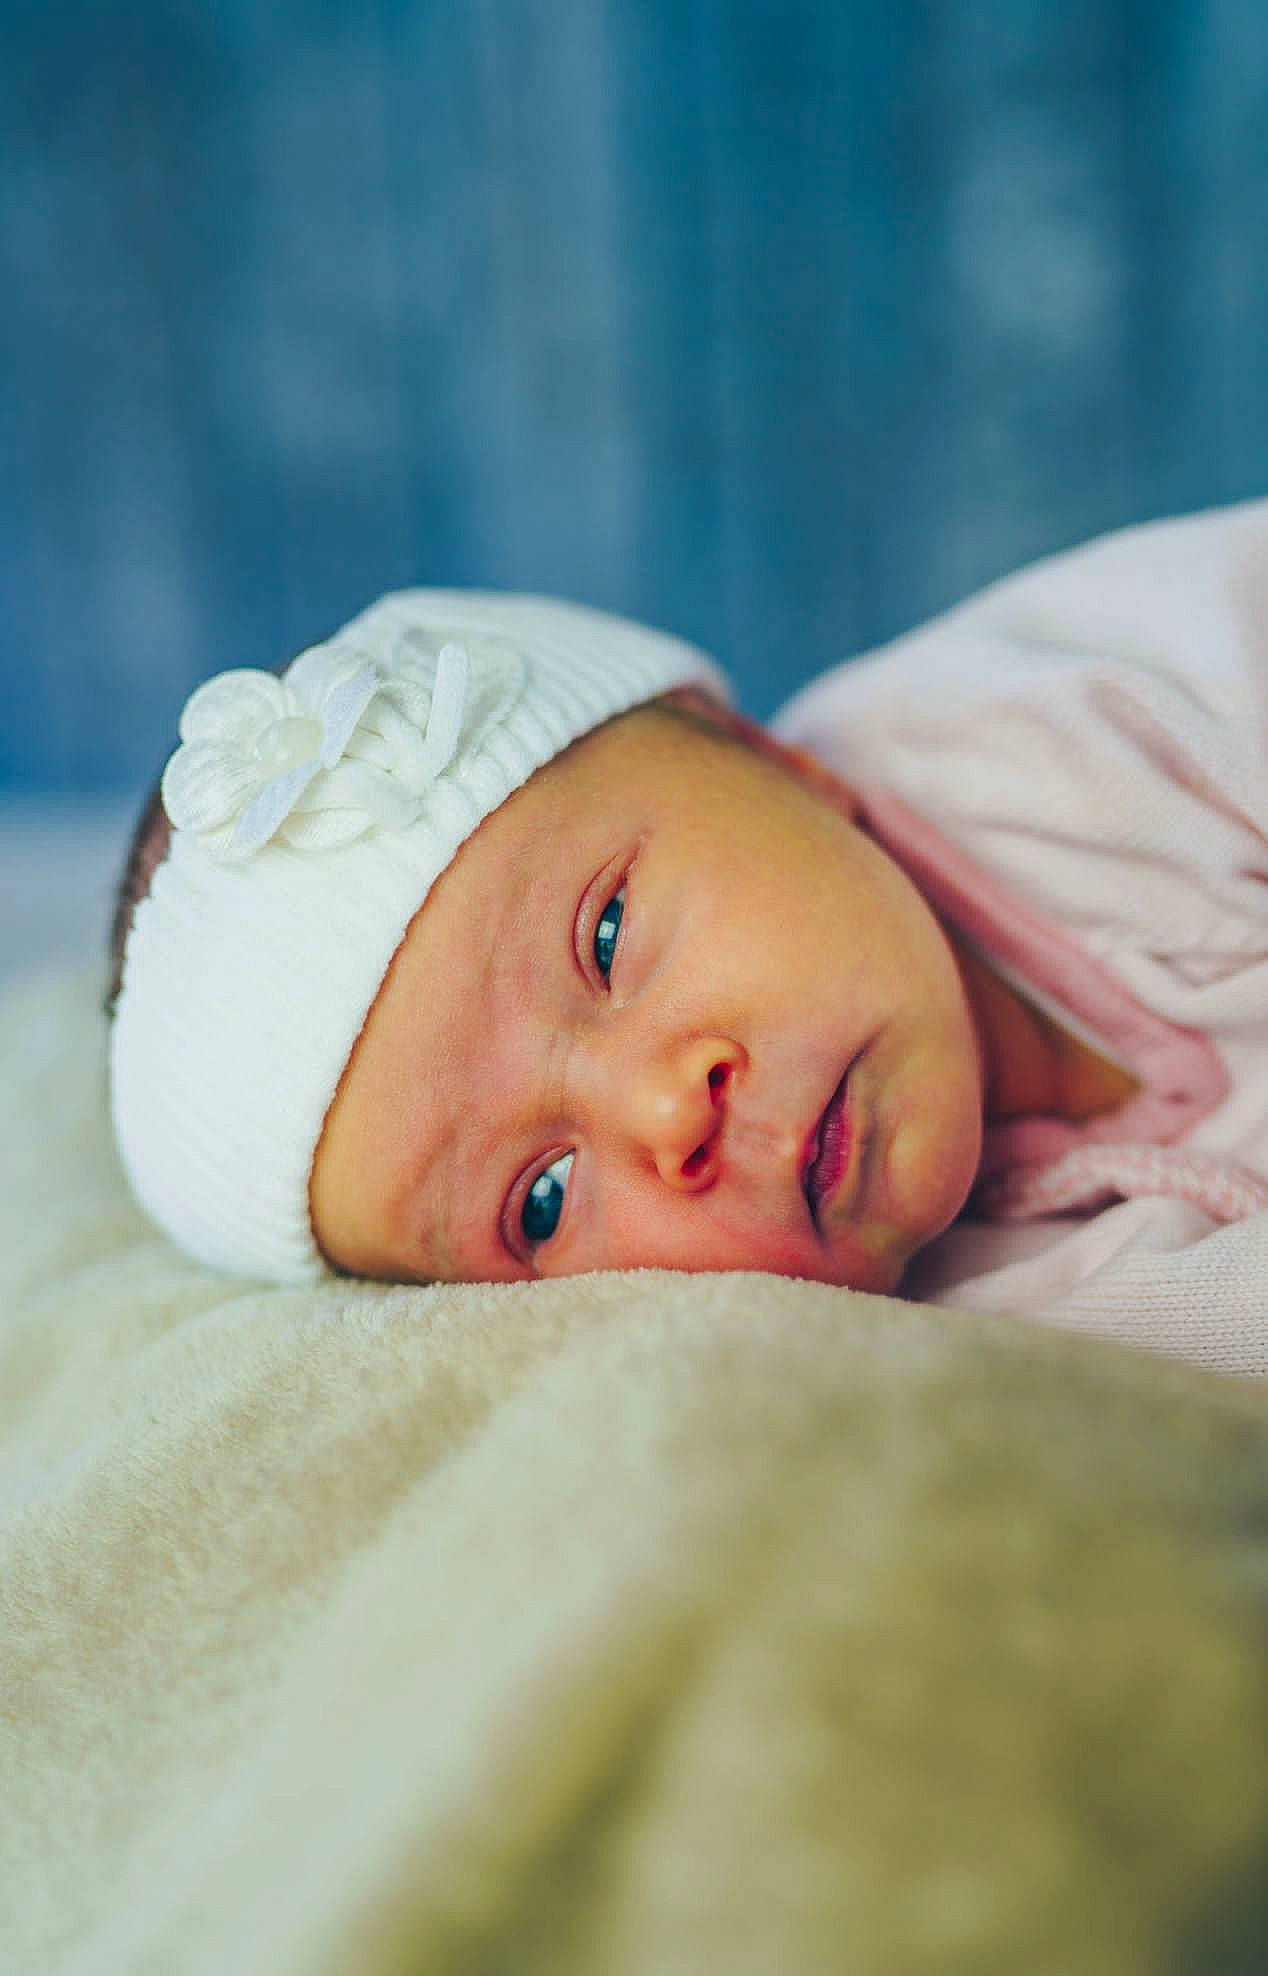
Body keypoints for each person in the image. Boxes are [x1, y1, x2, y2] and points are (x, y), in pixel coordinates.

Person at [107, 503, 1268, 1367]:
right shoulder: (945, 1359)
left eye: (605, 934)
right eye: (542, 1200)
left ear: (777, 762)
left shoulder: (1068, 725)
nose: (668, 1114)